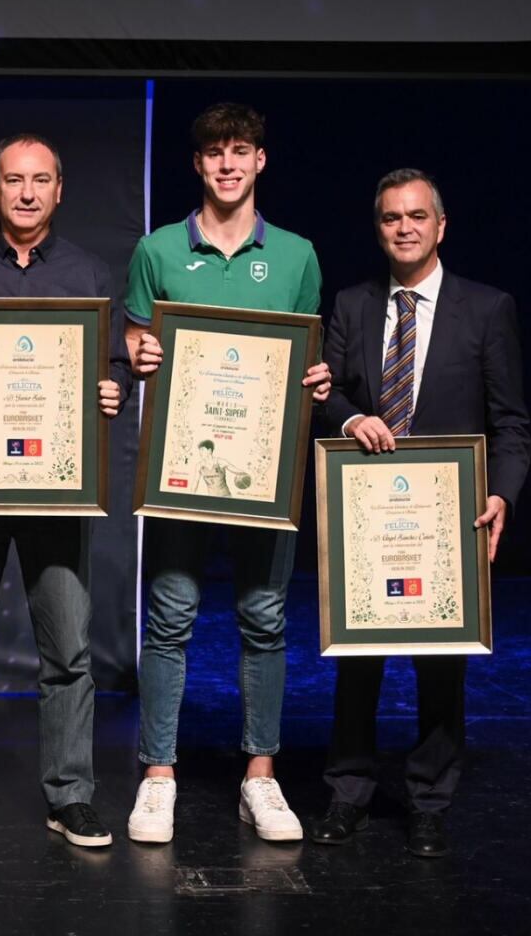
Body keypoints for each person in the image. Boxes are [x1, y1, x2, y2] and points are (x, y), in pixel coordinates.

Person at [123, 102, 332, 845]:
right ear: (198, 163)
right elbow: (136, 339)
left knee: (266, 621)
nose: (227, 164)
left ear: (260, 160)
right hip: (182, 471)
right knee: (170, 619)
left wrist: (317, 380)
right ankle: (157, 778)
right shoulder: (157, 251)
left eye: (241, 149)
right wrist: (138, 349)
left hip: (263, 472)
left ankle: (261, 778)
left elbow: (307, 357)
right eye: (215, 152)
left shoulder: (299, 255)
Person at [310, 168, 531, 858]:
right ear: (377, 229)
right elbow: (326, 395)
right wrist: (349, 421)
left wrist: (500, 493)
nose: (402, 228)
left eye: (415, 216)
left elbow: (512, 423)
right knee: (358, 659)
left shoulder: (488, 309)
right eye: (389, 218)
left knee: (443, 665)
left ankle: (430, 800)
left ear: (441, 225)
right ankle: (348, 792)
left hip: (448, 516)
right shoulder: (349, 305)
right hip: (366, 509)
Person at [0, 134, 129, 849]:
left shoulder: (90, 271)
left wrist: (112, 389)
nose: (28, 193)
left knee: (68, 651)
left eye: (41, 180)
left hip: (57, 489)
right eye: (15, 180)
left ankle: (70, 795)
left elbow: (111, 372)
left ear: (59, 189)